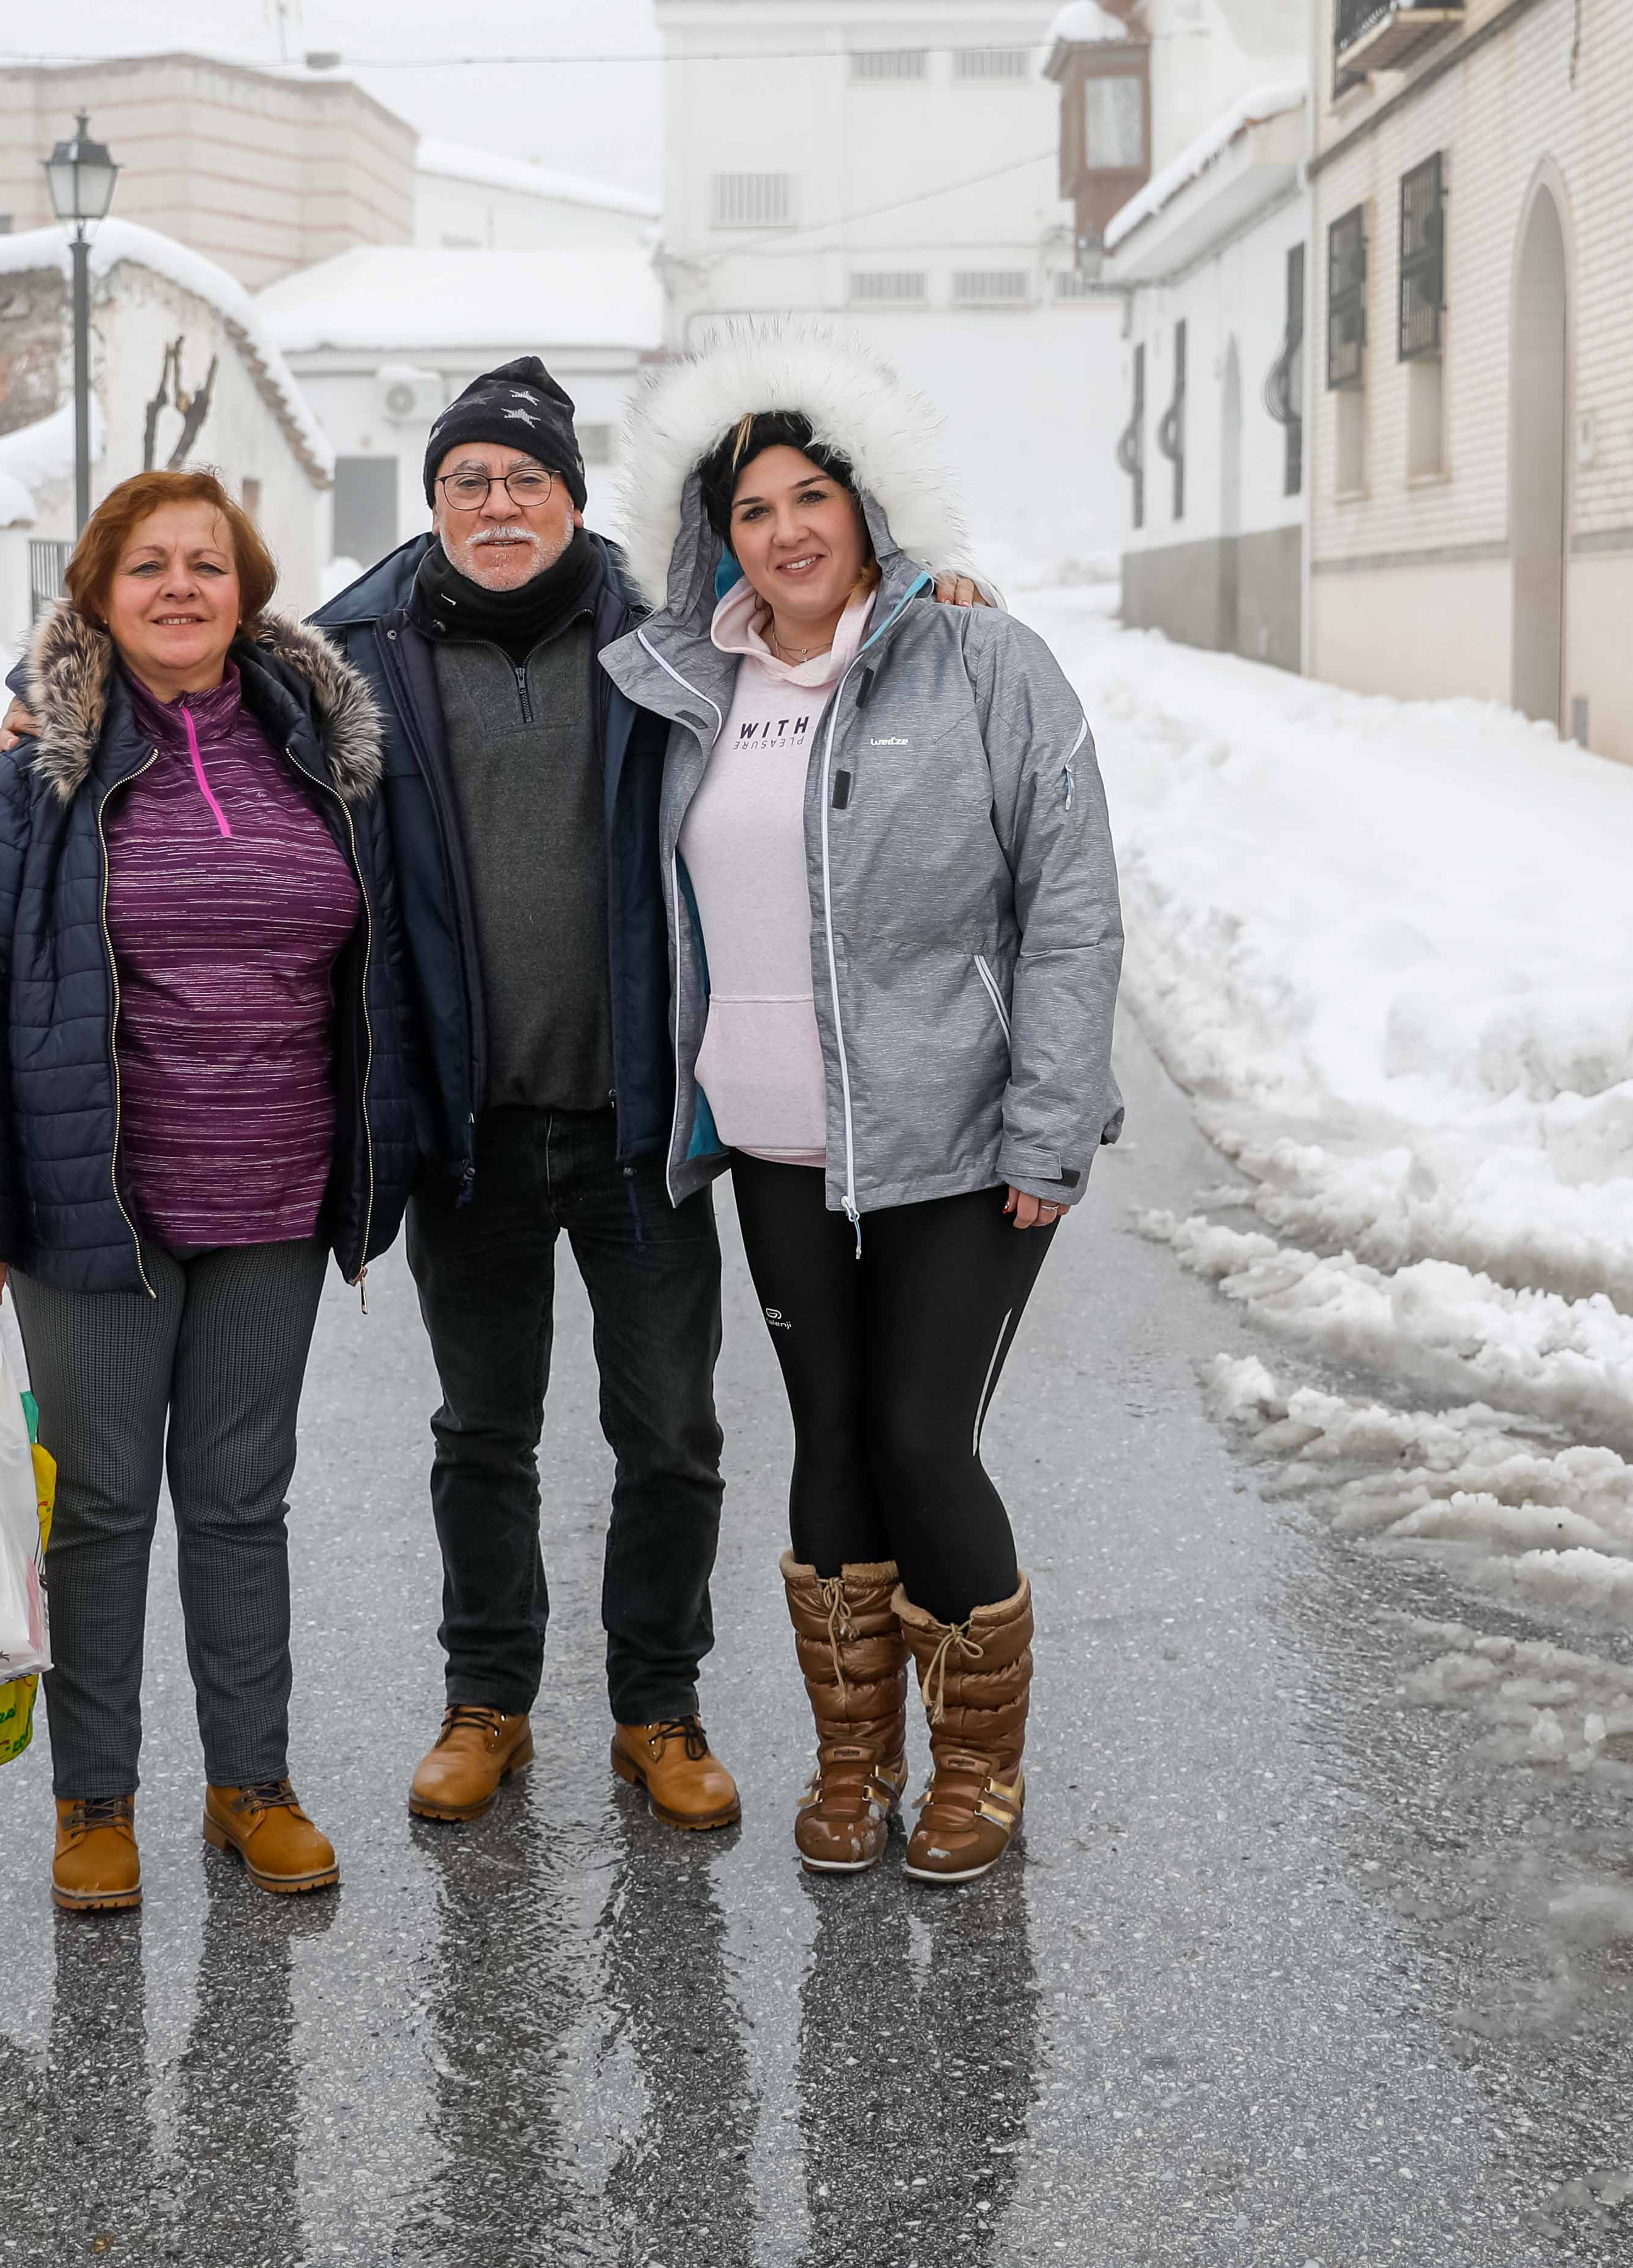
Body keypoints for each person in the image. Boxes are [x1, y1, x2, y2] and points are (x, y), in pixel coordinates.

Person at [304, 360, 1004, 1836]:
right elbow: (180, 686)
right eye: (468, 481)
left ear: (572, 494)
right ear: (432, 501)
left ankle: (656, 1707)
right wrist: (23, 709)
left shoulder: (674, 639)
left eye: (527, 479)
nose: (499, 505)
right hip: (469, 1130)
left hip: (643, 1122)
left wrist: (938, 597)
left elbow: (832, 637)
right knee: (482, 1430)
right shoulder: (345, 651)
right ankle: (486, 1700)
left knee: (670, 1435)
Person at [600, 334, 1124, 1886]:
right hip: (769, 1139)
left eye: (810, 495)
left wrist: (1050, 1120)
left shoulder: (982, 662)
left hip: (955, 1140)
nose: (785, 532)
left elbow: (1072, 903)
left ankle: (975, 1769)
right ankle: (853, 1761)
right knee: (827, 1440)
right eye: (752, 509)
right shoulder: (691, 683)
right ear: (718, 537)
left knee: (917, 1435)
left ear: (867, 506)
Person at [0, 468, 418, 1916]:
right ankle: (95, 1803)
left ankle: (254, 1786)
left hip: (275, 1199)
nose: (181, 586)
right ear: (99, 596)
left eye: (208, 563)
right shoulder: (31, 776)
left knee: (245, 1502)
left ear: (248, 591)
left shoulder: (326, 758)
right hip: (96, 1212)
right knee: (106, 1510)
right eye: (148, 567)